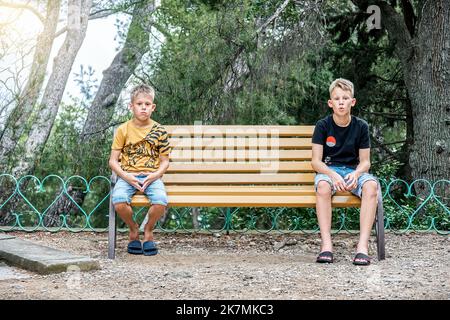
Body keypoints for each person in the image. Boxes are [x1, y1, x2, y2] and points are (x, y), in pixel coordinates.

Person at [311, 78, 379, 266]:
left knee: (372, 186)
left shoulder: (361, 126)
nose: (341, 102)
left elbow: (365, 162)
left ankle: (362, 247)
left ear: (353, 102)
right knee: (323, 186)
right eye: (337, 98)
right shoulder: (323, 126)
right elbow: (316, 162)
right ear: (330, 103)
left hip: (352, 172)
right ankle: (326, 246)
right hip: (329, 170)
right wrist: (333, 175)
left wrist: (356, 174)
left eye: (345, 98)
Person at [109, 84, 171, 256]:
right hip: (128, 176)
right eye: (139, 104)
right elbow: (113, 161)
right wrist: (127, 177)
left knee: (160, 201)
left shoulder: (159, 131)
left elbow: (165, 161)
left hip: (152, 176)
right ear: (131, 106)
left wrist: (156, 175)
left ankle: (148, 231)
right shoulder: (123, 130)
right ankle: (133, 228)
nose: (143, 107)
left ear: (153, 107)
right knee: (119, 200)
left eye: (147, 104)